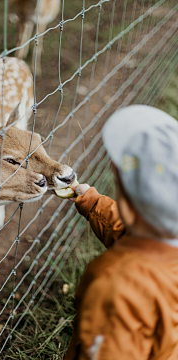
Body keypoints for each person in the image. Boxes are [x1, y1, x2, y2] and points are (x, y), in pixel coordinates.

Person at [64, 105, 178, 360]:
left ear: (127, 203)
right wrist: (93, 203)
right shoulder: (167, 246)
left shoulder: (117, 286)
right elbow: (130, 234)